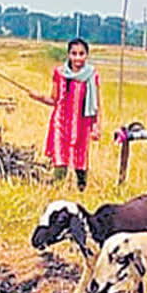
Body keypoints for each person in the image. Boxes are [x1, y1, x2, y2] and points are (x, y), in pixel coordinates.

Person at [29, 37, 101, 191]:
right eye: (74, 54)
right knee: (60, 158)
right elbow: (53, 99)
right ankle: (56, 189)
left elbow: (96, 105)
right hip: (60, 123)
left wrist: (96, 126)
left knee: (81, 159)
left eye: (81, 54)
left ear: (86, 56)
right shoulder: (59, 73)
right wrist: (37, 97)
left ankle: (82, 190)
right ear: (68, 55)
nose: (77, 58)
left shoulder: (91, 75)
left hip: (83, 124)